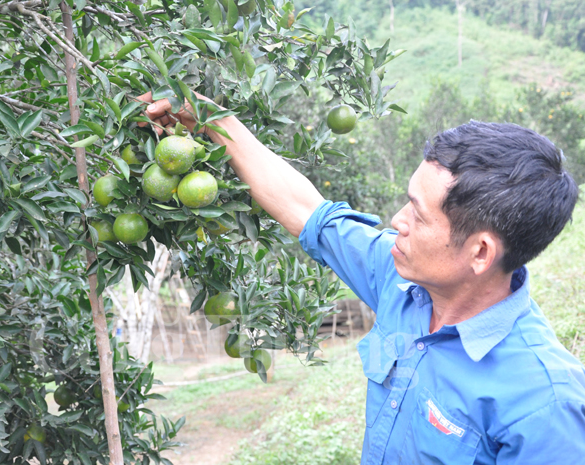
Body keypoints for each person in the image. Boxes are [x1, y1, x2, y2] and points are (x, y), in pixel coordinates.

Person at [138, 92, 585, 464]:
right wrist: (213, 120)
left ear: (481, 252)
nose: (397, 220)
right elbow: (305, 210)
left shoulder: (544, 406)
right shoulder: (401, 281)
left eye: (418, 214)